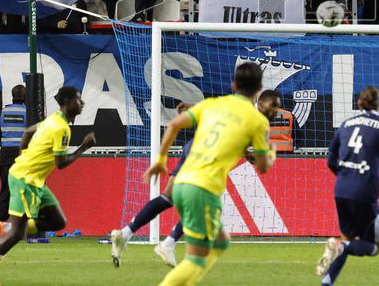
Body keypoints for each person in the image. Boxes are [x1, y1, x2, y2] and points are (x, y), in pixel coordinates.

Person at [111, 93, 282, 267]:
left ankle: (124, 234)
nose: (276, 111)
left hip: (195, 146)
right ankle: (167, 244)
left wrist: (245, 154)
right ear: (260, 103)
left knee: (168, 196)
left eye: (277, 108)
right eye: (273, 106)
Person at [141, 61, 275, 285]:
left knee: (221, 242)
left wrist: (161, 160)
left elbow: (174, 124)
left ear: (233, 85)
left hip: (181, 181)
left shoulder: (212, 104)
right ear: (260, 88)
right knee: (195, 260)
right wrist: (271, 153)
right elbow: (263, 167)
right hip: (203, 188)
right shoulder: (258, 121)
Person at [0, 86, 95, 285]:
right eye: (78, 100)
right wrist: (83, 148)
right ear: (67, 102)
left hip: (34, 180)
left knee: (58, 222)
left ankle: (8, 228)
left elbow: (28, 132)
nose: (82, 103)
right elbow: (61, 164)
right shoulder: (61, 128)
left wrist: (22, 155)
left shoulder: (53, 119)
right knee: (18, 234)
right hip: (25, 180)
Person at [316, 86, 379, 284]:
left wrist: (347, 175)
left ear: (359, 103)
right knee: (373, 247)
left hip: (341, 190)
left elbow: (330, 160)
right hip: (364, 192)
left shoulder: (345, 125)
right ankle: (339, 248)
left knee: (346, 239)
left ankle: (326, 282)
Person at [0, 85, 28, 243]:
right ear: (26, 97)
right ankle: (24, 231)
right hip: (23, 157)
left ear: (12, 96)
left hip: (6, 157)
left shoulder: (2, 112)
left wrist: (6, 132)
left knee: (5, 193)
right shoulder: (28, 112)